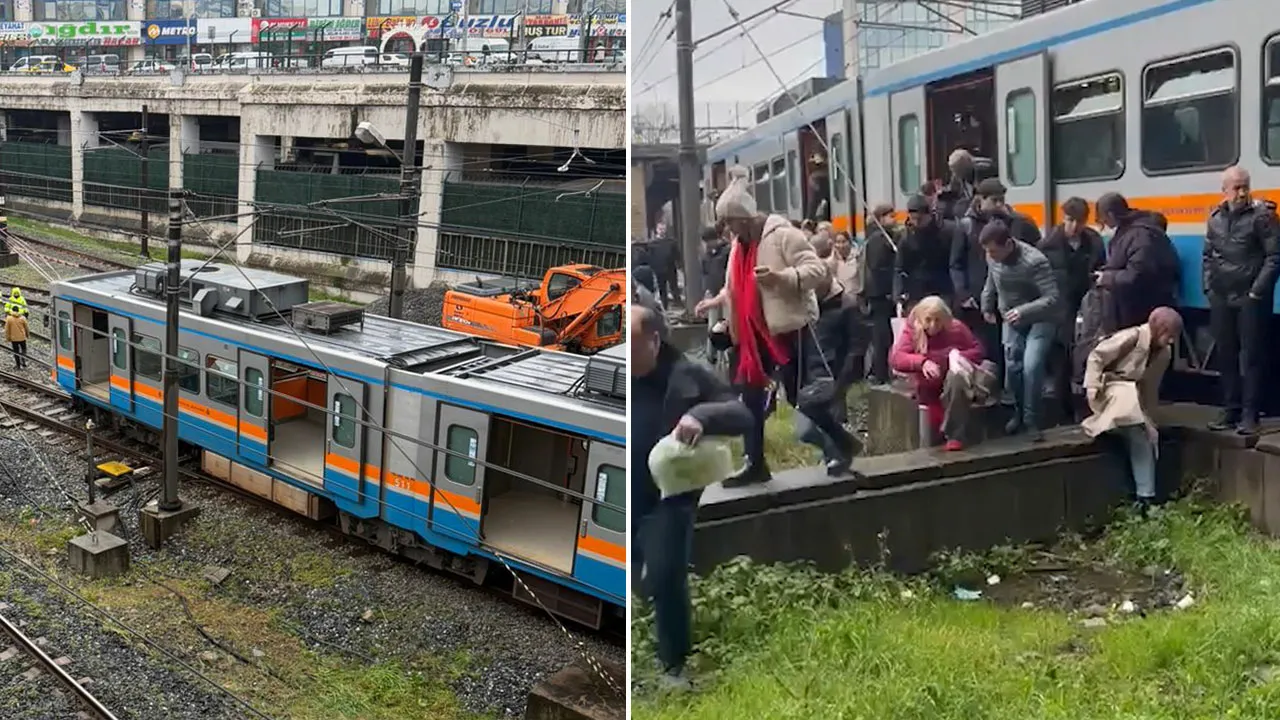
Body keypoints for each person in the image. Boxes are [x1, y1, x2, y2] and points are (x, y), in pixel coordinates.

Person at [695, 166, 860, 484]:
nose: (727, 229)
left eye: (730, 221)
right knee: (751, 399)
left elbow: (818, 271)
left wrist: (781, 278)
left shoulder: (784, 235)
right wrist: (727, 321)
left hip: (788, 331)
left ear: (744, 218)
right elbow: (735, 290)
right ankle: (755, 463)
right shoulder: (738, 247)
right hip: (753, 334)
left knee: (802, 399)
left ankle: (841, 443)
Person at [631, 301, 751, 691]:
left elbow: (741, 414)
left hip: (669, 497)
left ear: (654, 341)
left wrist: (702, 416)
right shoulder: (619, 373)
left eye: (632, 346)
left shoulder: (687, 375)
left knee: (666, 574)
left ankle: (674, 666)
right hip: (627, 491)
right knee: (640, 573)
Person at [1081, 307, 1183, 512]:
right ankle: (1145, 495)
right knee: (1136, 425)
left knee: (1145, 436)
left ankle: (1145, 496)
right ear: (1159, 329)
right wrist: (1092, 386)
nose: (1171, 341)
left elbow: (1150, 387)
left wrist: (1150, 419)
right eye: (1169, 335)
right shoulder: (1131, 336)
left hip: (1133, 400)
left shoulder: (1164, 353)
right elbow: (1097, 356)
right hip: (1110, 390)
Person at [1203, 166, 1280, 435]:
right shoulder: (1214, 218)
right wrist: (1209, 288)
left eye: (1245, 186)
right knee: (1226, 354)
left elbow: (1274, 257)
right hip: (1222, 296)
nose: (1242, 192)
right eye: (1236, 187)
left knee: (1252, 356)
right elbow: (1208, 255)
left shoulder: (1264, 217)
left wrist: (1256, 292)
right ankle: (1230, 409)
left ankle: (1250, 414)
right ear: (1224, 190)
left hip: (1251, 298)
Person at [952, 178, 1041, 380]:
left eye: (1002, 200)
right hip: (978, 298)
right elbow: (956, 263)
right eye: (994, 200)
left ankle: (1009, 389)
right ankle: (991, 386)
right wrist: (963, 293)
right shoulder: (966, 226)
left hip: (1011, 296)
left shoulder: (1017, 223)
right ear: (980, 200)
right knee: (988, 349)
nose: (999, 205)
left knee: (1012, 350)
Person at [980, 221, 1060, 438]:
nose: (990, 255)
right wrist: (986, 305)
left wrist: (1023, 310)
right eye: (987, 251)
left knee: (1031, 366)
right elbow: (991, 281)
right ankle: (1018, 412)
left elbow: (1052, 297)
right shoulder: (992, 257)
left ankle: (1032, 419)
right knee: (1013, 366)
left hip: (1040, 317)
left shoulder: (1034, 261)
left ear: (1008, 244)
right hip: (1010, 317)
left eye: (993, 251)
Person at [889, 296, 994, 451]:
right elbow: (897, 358)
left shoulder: (956, 328)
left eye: (938, 320)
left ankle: (954, 436)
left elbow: (978, 350)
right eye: (928, 320)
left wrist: (956, 356)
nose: (933, 325)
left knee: (956, 379)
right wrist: (922, 362)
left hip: (953, 380)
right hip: (927, 385)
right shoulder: (912, 330)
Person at [1039, 197, 1106, 421]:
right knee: (1062, 360)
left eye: (1079, 221)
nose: (1074, 226)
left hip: (1088, 306)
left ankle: (1088, 407)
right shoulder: (1047, 245)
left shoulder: (1094, 242)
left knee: (1090, 355)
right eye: (1069, 220)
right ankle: (1063, 411)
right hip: (1061, 310)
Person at [1094, 192, 1180, 334]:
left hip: (1138, 309)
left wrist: (1106, 278)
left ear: (1110, 215)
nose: (1105, 225)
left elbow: (1137, 274)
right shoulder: (1139, 230)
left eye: (1104, 220)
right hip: (1142, 305)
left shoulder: (1138, 234)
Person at [896, 194, 959, 312]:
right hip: (917, 291)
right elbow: (900, 268)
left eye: (920, 219)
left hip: (943, 288)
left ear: (929, 215)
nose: (916, 222)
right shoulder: (906, 237)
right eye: (913, 218)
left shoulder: (947, 231)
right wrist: (899, 295)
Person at [863, 203, 900, 383]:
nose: (894, 220)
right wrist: (889, 290)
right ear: (881, 218)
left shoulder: (881, 237)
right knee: (882, 335)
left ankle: (883, 371)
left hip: (880, 293)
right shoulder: (878, 239)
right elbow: (879, 268)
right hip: (880, 293)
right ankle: (881, 373)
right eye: (890, 216)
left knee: (884, 334)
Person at [701, 223, 731, 359]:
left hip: (726, 293)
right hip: (713, 293)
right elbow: (705, 273)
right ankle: (711, 354)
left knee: (725, 324)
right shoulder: (706, 255)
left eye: (708, 241)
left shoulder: (727, 251)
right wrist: (706, 289)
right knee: (712, 324)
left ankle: (727, 354)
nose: (707, 245)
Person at [936, 148, 975, 221]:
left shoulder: (977, 173)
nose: (954, 173)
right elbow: (952, 189)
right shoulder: (956, 175)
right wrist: (942, 191)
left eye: (956, 170)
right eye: (952, 170)